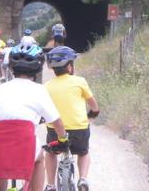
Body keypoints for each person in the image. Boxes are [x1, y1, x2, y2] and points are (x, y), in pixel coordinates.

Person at [0, 43, 69, 191]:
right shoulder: (38, 90)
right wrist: (63, 140)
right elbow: (56, 121)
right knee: (39, 159)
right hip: (24, 141)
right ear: (38, 67)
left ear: (12, 67)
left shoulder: (1, 89)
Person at [44, 46, 99, 191]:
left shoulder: (46, 86)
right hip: (79, 130)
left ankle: (50, 185)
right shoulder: (80, 81)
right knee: (83, 152)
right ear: (69, 66)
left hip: (55, 131)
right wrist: (91, 115)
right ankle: (83, 180)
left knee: (50, 154)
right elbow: (94, 106)